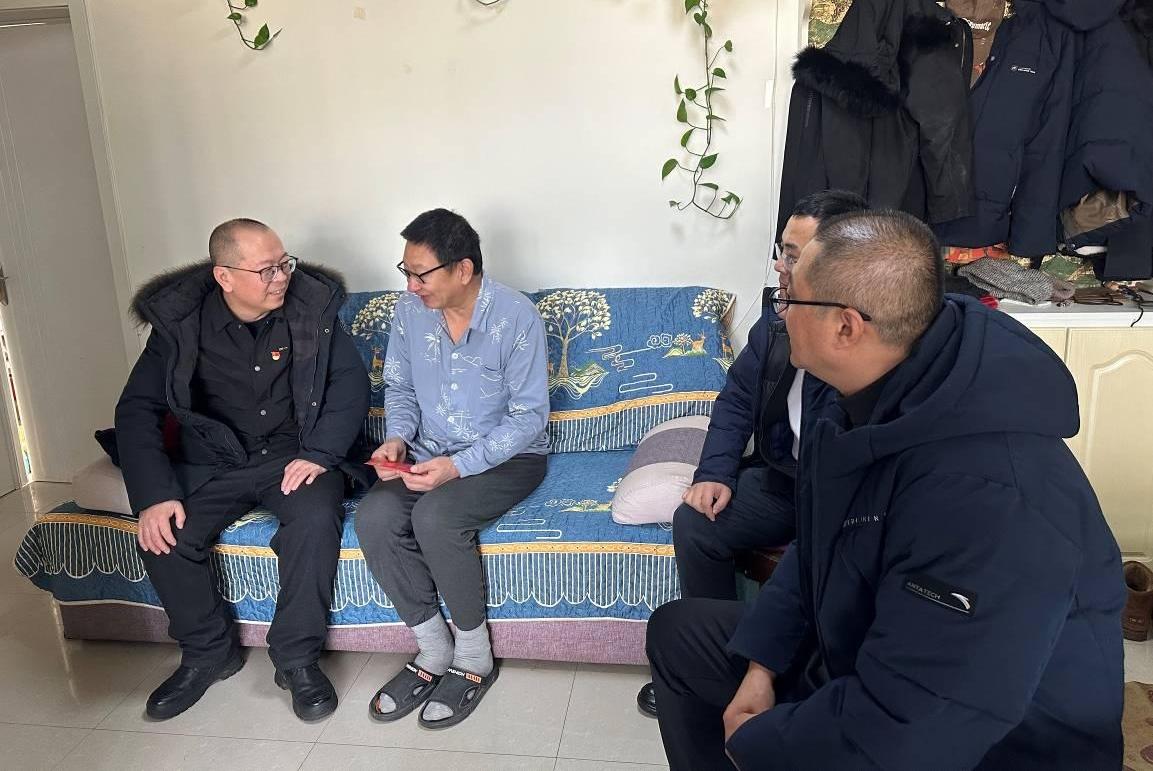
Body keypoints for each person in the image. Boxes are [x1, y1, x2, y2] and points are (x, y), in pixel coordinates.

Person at [646, 210, 1124, 769]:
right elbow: (816, 547)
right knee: (680, 634)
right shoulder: (862, 392)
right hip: (867, 642)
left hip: (994, 742)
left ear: (845, 327)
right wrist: (761, 663)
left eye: (789, 299)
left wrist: (758, 743)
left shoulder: (992, 495)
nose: (780, 311)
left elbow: (911, 731)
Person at [116, 218, 370, 722]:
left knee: (315, 519)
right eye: (267, 269)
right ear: (225, 277)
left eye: (284, 264)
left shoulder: (311, 310)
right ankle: (208, 653)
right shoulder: (180, 325)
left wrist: (320, 453)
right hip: (215, 460)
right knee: (165, 534)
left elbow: (349, 384)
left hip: (294, 455)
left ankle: (296, 661)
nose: (282, 277)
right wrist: (153, 495)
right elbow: (137, 409)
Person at [637, 190, 869, 718]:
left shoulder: (864, 343)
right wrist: (714, 472)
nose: (780, 267)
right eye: (781, 251)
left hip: (845, 500)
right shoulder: (777, 322)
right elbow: (738, 397)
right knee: (697, 520)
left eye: (794, 256)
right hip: (784, 479)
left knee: (828, 564)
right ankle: (716, 663)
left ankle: (788, 676)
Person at [355, 208, 550, 729]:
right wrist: (397, 439)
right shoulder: (409, 311)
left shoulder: (516, 316)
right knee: (374, 517)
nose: (411, 285)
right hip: (426, 454)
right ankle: (434, 649)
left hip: (509, 458)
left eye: (421, 274)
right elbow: (399, 386)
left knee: (436, 517)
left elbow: (529, 418)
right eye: (406, 272)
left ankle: (474, 658)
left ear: (463, 269)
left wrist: (458, 467)